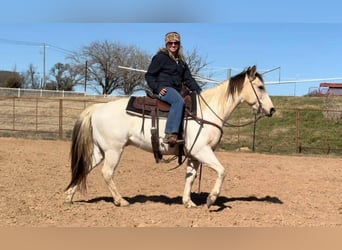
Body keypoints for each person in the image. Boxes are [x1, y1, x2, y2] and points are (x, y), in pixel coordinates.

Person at [145, 31, 202, 147]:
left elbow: (188, 79)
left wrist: (200, 92)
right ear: (166, 44)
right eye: (170, 43)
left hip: (177, 90)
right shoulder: (160, 57)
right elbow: (149, 75)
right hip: (165, 89)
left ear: (179, 44)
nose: (173, 45)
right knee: (178, 101)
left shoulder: (181, 62)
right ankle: (170, 134)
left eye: (175, 43)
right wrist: (157, 88)